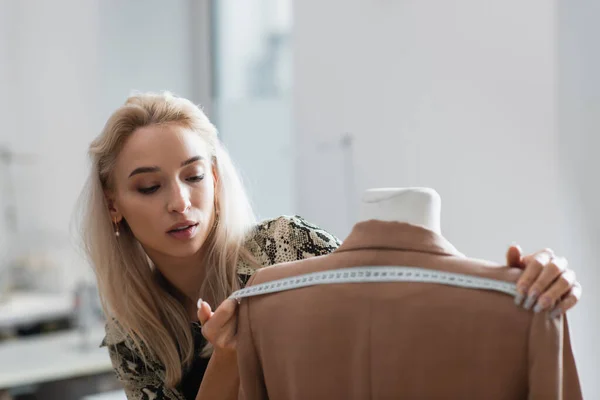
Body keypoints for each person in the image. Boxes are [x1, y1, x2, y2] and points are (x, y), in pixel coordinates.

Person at [78, 92, 582, 400]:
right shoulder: (133, 334)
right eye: (150, 187)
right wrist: (232, 353)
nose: (179, 202)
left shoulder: (284, 246)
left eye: (193, 177)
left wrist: (519, 285)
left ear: (214, 180)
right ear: (114, 203)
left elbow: (399, 309)